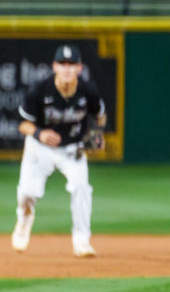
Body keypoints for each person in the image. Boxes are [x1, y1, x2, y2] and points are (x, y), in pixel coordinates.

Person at [13, 43, 106, 257]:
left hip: (72, 149)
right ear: (54, 66)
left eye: (71, 64)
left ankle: (82, 241)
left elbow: (100, 116)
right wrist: (39, 133)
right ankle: (24, 221)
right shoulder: (39, 90)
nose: (67, 69)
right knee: (27, 192)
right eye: (62, 64)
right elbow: (23, 124)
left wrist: (97, 133)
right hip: (40, 148)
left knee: (81, 188)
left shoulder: (88, 91)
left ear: (79, 68)